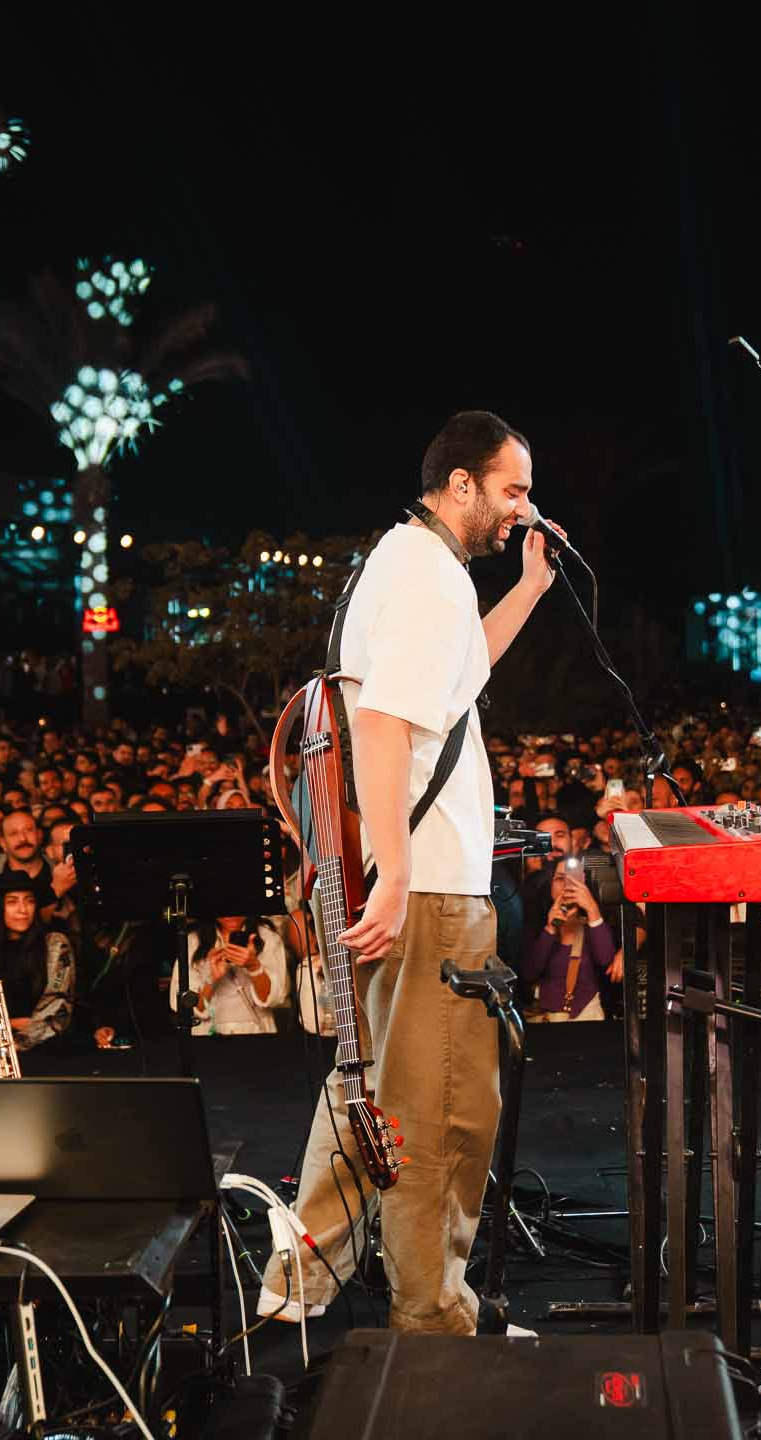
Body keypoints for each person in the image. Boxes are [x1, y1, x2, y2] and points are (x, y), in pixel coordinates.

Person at [266, 409, 560, 1336]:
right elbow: (384, 723)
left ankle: (297, 1280)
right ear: (461, 483)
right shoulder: (429, 576)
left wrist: (531, 587)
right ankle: (434, 1316)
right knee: (441, 1107)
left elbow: (454, 679)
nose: (524, 509)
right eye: (512, 490)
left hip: (408, 872)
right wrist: (396, 874)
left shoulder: (406, 561)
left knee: (373, 1083)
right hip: (426, 882)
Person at [0, 869, 75, 1057]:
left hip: (45, 1049)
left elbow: (58, 1005)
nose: (23, 910)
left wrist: (18, 1039)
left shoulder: (55, 945)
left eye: (29, 901)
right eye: (12, 902)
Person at [520, 858, 615, 1022]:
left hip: (586, 1021)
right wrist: (550, 929)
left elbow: (605, 959)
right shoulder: (536, 925)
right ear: (550, 885)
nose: (566, 885)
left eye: (574, 879)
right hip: (545, 1022)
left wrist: (592, 908)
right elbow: (529, 973)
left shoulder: (593, 926)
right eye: (559, 879)